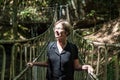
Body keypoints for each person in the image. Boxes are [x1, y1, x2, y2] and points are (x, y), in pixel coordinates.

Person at [27, 19, 94, 80]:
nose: (56, 31)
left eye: (59, 28)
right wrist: (34, 63)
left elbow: (76, 66)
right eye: (55, 28)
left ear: (66, 32)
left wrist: (87, 66)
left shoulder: (73, 48)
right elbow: (48, 63)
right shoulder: (50, 46)